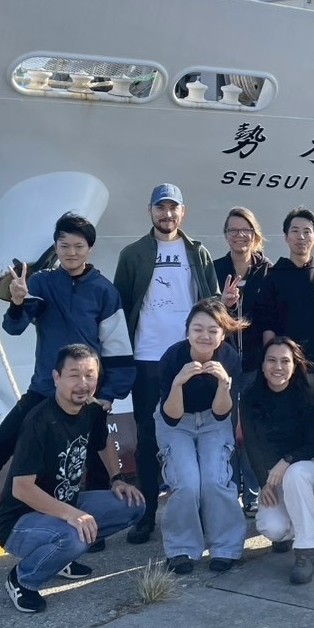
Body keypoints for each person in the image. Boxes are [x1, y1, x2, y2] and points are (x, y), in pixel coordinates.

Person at [0, 212, 132, 541]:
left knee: (92, 455)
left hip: (85, 391)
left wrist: (108, 394)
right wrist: (17, 301)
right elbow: (14, 327)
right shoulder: (41, 283)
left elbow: (117, 346)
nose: (71, 252)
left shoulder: (104, 291)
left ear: (89, 249)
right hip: (44, 388)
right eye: (64, 246)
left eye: (78, 246)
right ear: (56, 247)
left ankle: (91, 530)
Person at [0, 345, 145, 613]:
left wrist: (118, 479)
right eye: (74, 375)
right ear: (56, 377)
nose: (83, 384)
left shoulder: (92, 410)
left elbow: (103, 443)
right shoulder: (39, 421)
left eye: (90, 375)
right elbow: (22, 489)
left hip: (66, 504)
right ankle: (22, 578)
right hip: (20, 521)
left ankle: (60, 557)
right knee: (77, 534)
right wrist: (72, 515)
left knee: (133, 505)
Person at [113, 184, 220, 545]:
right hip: (147, 358)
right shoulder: (132, 254)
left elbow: (212, 303)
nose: (167, 214)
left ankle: (199, 510)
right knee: (147, 437)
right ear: (150, 211)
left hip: (190, 357)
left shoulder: (198, 252)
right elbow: (121, 306)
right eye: (161, 208)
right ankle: (146, 516)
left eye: (173, 208)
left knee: (195, 430)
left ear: (182, 212)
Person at [254, 206, 314, 517]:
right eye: (295, 230)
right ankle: (288, 492)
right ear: (285, 237)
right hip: (287, 372)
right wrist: (272, 369)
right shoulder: (273, 277)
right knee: (290, 432)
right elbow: (267, 327)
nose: (301, 236)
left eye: (307, 231)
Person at [155, 298, 246, 574]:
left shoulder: (229, 358)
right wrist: (178, 382)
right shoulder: (172, 358)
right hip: (177, 420)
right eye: (198, 329)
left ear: (222, 334)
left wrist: (224, 384)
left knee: (215, 480)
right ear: (187, 332)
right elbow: (171, 416)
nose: (205, 336)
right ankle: (181, 549)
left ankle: (226, 548)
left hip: (212, 419)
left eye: (212, 330)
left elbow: (221, 414)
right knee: (186, 482)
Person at [241, 337, 314, 585]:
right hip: (273, 477)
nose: (278, 367)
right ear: (262, 365)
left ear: (294, 365)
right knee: (273, 529)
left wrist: (286, 461)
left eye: (285, 361)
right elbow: (252, 446)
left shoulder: (306, 396)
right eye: (272, 360)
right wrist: (264, 483)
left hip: (309, 469)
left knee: (296, 474)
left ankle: (305, 552)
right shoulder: (250, 397)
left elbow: (312, 444)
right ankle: (294, 528)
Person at [213, 205, 273, 514]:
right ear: (226, 235)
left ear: (255, 234)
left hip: (255, 363)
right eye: (233, 230)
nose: (240, 236)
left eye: (245, 230)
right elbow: (204, 314)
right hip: (221, 363)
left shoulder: (267, 271)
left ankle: (251, 493)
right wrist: (223, 303)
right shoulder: (214, 268)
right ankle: (227, 490)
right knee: (223, 428)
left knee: (251, 429)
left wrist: (270, 360)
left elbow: (273, 316)